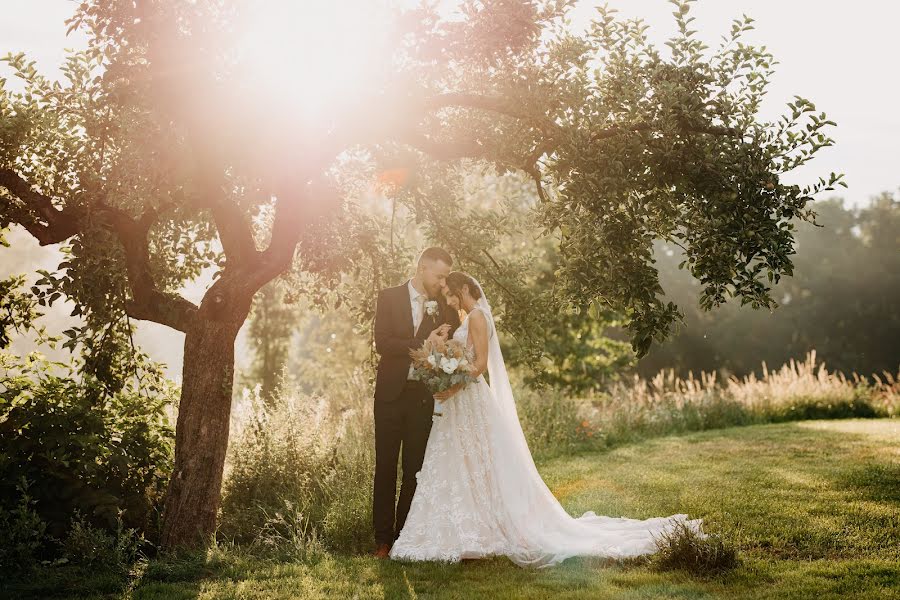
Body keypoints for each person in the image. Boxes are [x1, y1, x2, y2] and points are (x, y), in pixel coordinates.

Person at [389, 271, 704, 567]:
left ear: (465, 290)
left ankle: (480, 529)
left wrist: (451, 377)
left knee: (477, 461)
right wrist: (441, 360)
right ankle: (467, 527)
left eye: (452, 293)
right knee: (463, 462)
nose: (449, 300)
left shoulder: (477, 317)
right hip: (459, 399)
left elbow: (480, 364)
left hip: (468, 396)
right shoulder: (465, 318)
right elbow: (463, 357)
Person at [371, 247, 460, 559]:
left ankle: (403, 538)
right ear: (423, 268)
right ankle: (382, 540)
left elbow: (455, 345)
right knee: (385, 468)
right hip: (389, 395)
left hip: (423, 397)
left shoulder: (443, 307)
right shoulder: (389, 297)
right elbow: (382, 342)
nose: (442, 282)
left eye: (446, 276)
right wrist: (423, 343)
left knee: (414, 469)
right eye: (439, 275)